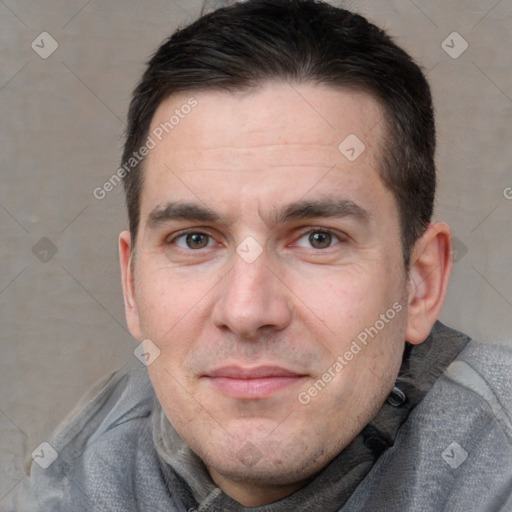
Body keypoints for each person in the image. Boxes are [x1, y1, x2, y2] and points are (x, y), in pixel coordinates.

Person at [4, 1, 512, 510]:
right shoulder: (73, 481)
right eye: (195, 240)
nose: (247, 311)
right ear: (132, 284)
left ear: (419, 284)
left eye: (318, 238)